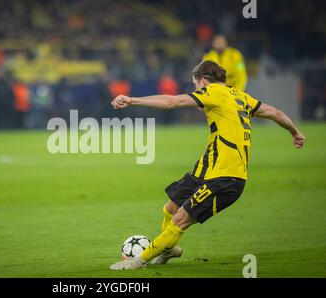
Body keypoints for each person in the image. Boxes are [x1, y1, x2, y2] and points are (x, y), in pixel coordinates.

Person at [109, 60, 306, 270]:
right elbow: (275, 113)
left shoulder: (212, 92)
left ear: (202, 81)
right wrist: (295, 132)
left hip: (226, 177)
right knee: (171, 206)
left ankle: (138, 261)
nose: (196, 90)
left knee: (180, 219)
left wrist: (133, 100)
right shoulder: (241, 96)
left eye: (195, 85)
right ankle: (168, 249)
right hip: (209, 167)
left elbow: (172, 102)